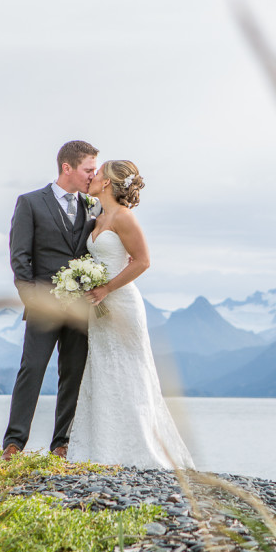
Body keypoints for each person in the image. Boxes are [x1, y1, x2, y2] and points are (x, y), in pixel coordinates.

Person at [67, 160, 195, 469]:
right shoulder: (97, 217)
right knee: (103, 371)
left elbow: (142, 261)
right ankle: (103, 446)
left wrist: (107, 288)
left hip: (122, 303)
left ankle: (140, 448)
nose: (92, 177)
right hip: (99, 308)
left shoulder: (124, 217)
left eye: (97, 173)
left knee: (131, 372)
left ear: (107, 183)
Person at [1, 140, 100, 460]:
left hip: (80, 308)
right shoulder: (30, 203)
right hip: (43, 306)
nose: (93, 175)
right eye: (88, 169)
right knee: (31, 369)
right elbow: (20, 258)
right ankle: (14, 442)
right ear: (67, 168)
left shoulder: (93, 206)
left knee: (73, 373)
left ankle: (62, 443)